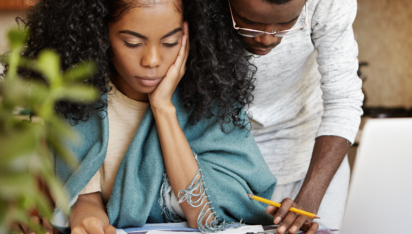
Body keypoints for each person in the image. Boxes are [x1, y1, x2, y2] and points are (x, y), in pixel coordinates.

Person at [11, 0, 277, 233]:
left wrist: (163, 108)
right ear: (100, 35)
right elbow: (83, 194)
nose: (152, 60)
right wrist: (84, 214)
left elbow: (206, 215)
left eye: (170, 42)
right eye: (133, 43)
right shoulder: (73, 98)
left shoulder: (212, 100)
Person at [226, 0, 364, 233]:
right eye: (250, 23)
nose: (267, 38)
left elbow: (343, 101)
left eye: (287, 23)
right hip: (225, 156)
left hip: (312, 157)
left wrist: (308, 201)